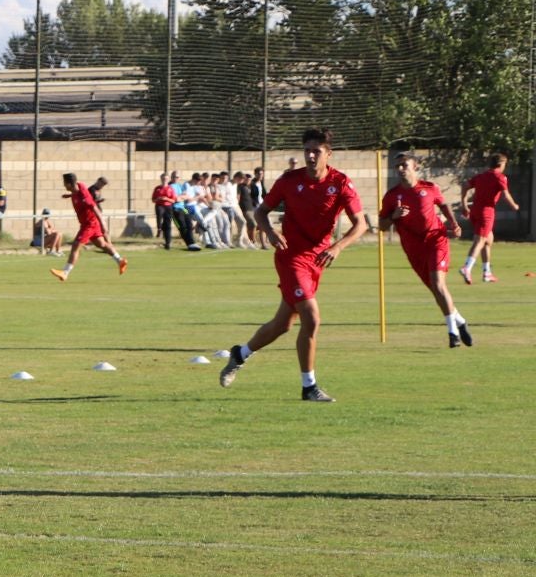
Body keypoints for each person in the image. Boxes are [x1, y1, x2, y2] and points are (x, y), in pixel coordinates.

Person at [219, 127, 368, 402]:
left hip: (317, 261)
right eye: (307, 151)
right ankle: (308, 387)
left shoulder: (341, 183)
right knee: (312, 317)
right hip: (290, 257)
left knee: (282, 325)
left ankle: (240, 354)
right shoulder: (289, 180)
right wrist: (271, 232)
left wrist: (338, 247)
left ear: (328, 154)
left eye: (317, 151)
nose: (311, 156)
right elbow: (261, 212)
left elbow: (361, 224)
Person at [381, 154, 472, 347]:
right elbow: (381, 225)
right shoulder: (391, 196)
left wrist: (454, 224)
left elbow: (443, 204)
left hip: (435, 240)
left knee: (438, 284)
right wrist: (394, 216)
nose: (400, 169)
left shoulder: (429, 188)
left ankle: (452, 333)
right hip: (413, 248)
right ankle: (460, 321)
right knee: (436, 289)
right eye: (397, 166)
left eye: (404, 165)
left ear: (415, 167)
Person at [50, 173, 127, 281]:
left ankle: (65, 272)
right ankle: (120, 261)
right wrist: (70, 195)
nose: (64, 186)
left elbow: (95, 209)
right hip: (90, 224)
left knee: (76, 246)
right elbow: (78, 193)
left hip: (89, 225)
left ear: (69, 184)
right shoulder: (79, 186)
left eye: (64, 184)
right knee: (102, 244)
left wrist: (103, 225)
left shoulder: (84, 197)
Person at [459, 152, 517, 284]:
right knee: (479, 241)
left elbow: (464, 186)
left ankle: (487, 273)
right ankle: (467, 267)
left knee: (488, 240)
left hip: (475, 211)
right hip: (487, 212)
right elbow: (505, 194)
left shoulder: (481, 176)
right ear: (501, 164)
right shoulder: (500, 177)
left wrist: (464, 205)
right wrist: (514, 206)